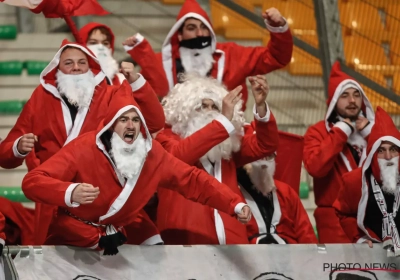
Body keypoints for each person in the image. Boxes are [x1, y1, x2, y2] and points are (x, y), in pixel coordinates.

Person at [22, 82, 252, 255]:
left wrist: (234, 204)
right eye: (123, 120)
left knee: (155, 256)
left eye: (135, 120)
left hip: (120, 235)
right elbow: (32, 182)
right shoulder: (84, 147)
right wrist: (70, 192)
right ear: (111, 126)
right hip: (71, 238)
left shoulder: (153, 155)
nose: (130, 125)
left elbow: (193, 180)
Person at [0, 40, 165, 245]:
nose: (76, 68)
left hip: (98, 194)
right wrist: (17, 147)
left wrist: (136, 83)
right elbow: (5, 155)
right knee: (54, 267)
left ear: (91, 67)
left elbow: (155, 121)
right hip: (54, 197)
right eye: (68, 63)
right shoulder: (40, 98)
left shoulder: (109, 94)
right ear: (57, 68)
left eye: (82, 63)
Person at [155, 74, 278, 244]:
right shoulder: (166, 137)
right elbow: (179, 157)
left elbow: (266, 145)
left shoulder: (228, 145)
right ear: (185, 110)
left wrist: (261, 106)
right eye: (203, 106)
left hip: (231, 238)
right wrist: (222, 123)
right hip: (185, 237)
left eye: (215, 107)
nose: (210, 112)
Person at [154, 0, 293, 106]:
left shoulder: (232, 55)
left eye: (204, 27)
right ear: (179, 34)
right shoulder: (159, 64)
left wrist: (278, 28)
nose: (200, 33)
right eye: (191, 28)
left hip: (229, 135)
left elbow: (276, 57)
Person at [303, 61, 375, 243]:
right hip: (334, 223)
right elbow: (315, 167)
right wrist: (341, 132)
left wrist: (372, 135)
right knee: (340, 272)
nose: (352, 100)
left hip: (374, 218)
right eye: (345, 95)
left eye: (356, 95)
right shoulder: (317, 132)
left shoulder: (374, 132)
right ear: (334, 100)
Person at [334, 107, 400, 257]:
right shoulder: (354, 182)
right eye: (381, 150)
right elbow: (343, 213)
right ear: (372, 155)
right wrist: (358, 238)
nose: (388, 156)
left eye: (393, 149)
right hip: (370, 256)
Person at [237, 126, 317, 244]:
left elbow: (306, 235)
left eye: (269, 157)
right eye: (258, 157)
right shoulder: (233, 193)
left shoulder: (286, 192)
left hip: (290, 257)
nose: (264, 162)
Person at [79, 22, 169, 95]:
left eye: (105, 43)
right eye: (93, 43)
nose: (100, 47)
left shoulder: (122, 80)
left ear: (111, 48)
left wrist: (142, 51)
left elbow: (160, 89)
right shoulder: (70, 79)